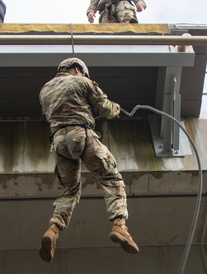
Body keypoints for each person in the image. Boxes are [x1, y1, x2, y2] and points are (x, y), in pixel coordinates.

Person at [38, 57, 138, 263]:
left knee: (70, 190)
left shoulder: (45, 90)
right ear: (77, 69)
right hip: (81, 136)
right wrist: (117, 108)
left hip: (58, 143)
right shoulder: (82, 82)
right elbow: (106, 109)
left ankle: (53, 230)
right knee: (111, 178)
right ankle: (120, 225)